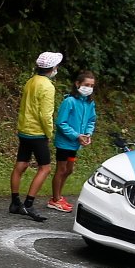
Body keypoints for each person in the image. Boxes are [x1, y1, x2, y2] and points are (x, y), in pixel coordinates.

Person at [10, 51, 62, 221]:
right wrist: (49, 133)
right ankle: (29, 204)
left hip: (24, 130)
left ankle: (15, 202)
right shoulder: (47, 86)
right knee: (45, 168)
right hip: (37, 132)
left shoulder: (30, 82)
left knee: (21, 165)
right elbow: (45, 115)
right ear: (52, 68)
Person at [48, 69, 97, 212]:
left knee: (69, 170)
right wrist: (76, 135)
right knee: (61, 169)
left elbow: (91, 120)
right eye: (86, 84)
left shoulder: (90, 103)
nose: (89, 88)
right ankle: (55, 199)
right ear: (77, 84)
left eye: (92, 85)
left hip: (75, 144)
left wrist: (87, 134)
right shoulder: (69, 101)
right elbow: (61, 123)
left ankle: (58, 195)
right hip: (65, 142)